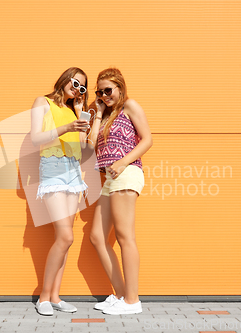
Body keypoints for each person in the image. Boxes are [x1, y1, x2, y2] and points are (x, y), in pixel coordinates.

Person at [88, 68, 153, 315]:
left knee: (125, 236)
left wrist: (123, 162)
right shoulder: (104, 116)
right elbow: (90, 145)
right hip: (110, 179)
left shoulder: (130, 107)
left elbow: (147, 139)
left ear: (120, 88)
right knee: (96, 236)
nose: (104, 95)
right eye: (99, 92)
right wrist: (98, 113)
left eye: (108, 90)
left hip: (126, 173)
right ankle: (120, 294)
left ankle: (132, 301)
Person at [30, 67, 90, 316]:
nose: (76, 88)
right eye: (75, 83)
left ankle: (55, 296)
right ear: (65, 79)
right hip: (53, 169)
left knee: (64, 240)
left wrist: (80, 115)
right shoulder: (42, 102)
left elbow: (85, 148)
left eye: (82, 87)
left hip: (73, 171)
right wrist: (67, 128)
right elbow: (36, 138)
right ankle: (43, 297)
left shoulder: (72, 111)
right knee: (66, 237)